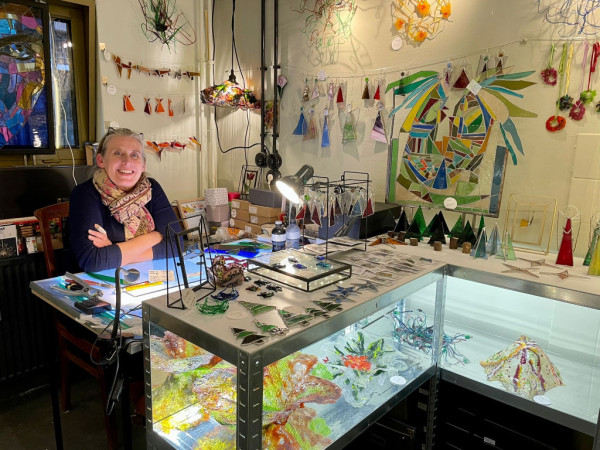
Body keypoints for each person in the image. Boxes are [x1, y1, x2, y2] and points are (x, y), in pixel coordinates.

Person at [69, 127, 180, 272]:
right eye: (117, 153)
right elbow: (92, 260)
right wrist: (155, 237)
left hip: (143, 275)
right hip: (96, 281)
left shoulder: (152, 188)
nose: (127, 161)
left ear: (143, 165)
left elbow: (176, 245)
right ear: (101, 160)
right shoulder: (84, 193)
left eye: (134, 155)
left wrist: (114, 250)